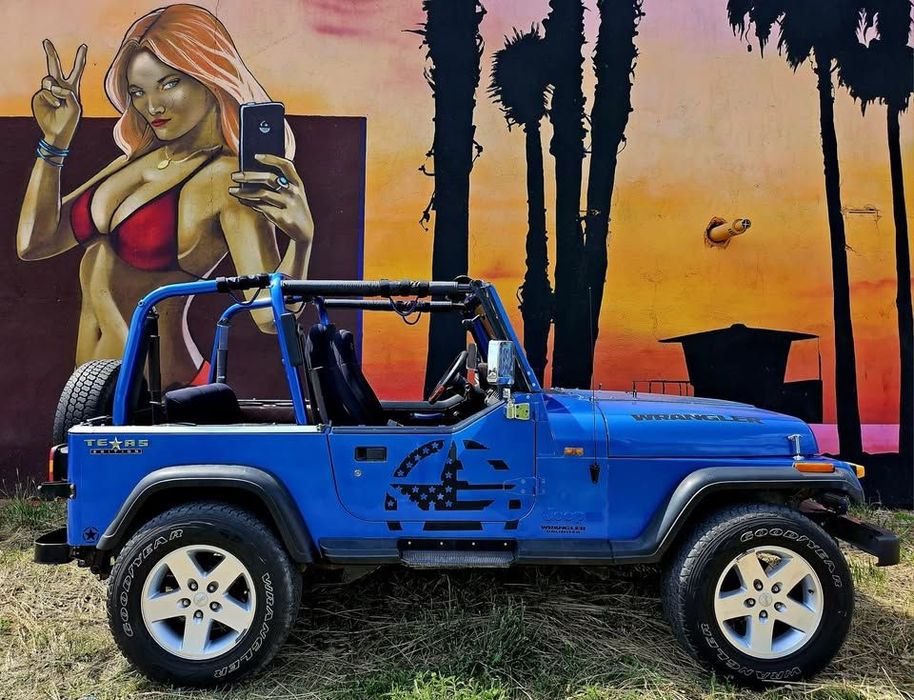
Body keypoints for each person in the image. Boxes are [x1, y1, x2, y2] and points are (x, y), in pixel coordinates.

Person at [16, 4, 314, 387]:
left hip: (164, 393)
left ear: (209, 76)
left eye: (169, 83)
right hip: (91, 393)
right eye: (138, 92)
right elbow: (35, 243)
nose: (152, 106)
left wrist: (302, 242)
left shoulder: (227, 179)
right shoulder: (135, 160)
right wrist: (55, 143)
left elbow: (267, 315)